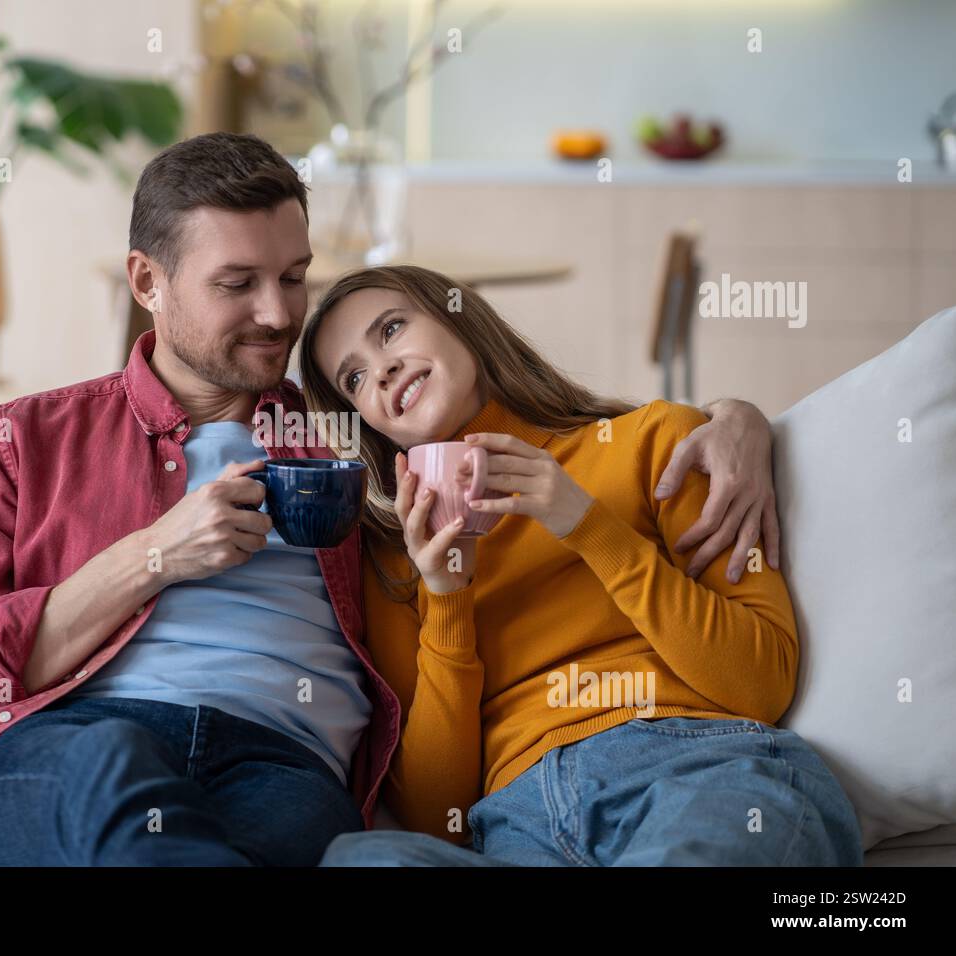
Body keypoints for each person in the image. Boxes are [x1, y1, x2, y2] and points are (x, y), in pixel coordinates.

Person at [0, 132, 782, 867]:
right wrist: (151, 556)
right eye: (237, 285)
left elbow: (575, 438)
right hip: (81, 734)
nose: (278, 316)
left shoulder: (357, 445)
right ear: (147, 284)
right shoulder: (27, 440)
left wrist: (740, 419)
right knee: (110, 773)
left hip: (279, 768)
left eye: (294, 276)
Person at [299, 264, 863, 866]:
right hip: (521, 823)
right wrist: (448, 598)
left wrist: (585, 525)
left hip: (699, 771)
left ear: (458, 316)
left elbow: (762, 685)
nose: (380, 369)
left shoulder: (657, 443)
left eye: (390, 329)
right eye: (354, 377)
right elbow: (438, 817)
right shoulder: (396, 559)